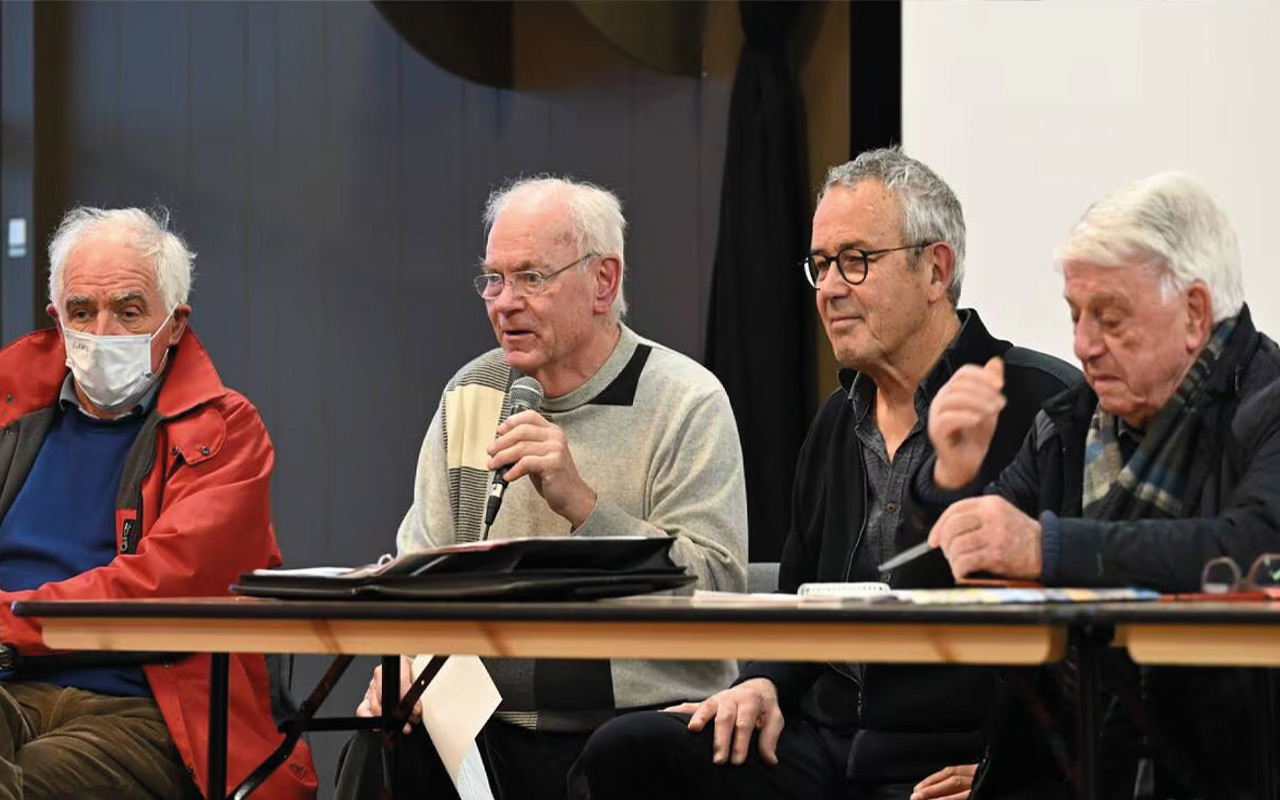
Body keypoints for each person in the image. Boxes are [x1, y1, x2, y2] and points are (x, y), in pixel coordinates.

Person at [569, 148, 1079, 800]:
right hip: (826, 741)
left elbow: (1079, 644)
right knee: (629, 751)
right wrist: (761, 682)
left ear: (935, 268)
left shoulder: (1042, 404)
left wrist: (1003, 768)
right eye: (820, 265)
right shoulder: (838, 418)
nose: (831, 288)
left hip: (951, 754)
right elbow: (800, 600)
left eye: (856, 261)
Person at [335, 176, 748, 800]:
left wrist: (585, 506)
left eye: (531, 277)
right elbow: (417, 571)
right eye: (493, 279)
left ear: (603, 282)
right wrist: (402, 661)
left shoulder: (684, 399)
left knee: (624, 758)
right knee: (379, 743)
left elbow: (716, 589)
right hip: (485, 724)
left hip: (636, 724)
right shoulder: (472, 394)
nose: (505, 302)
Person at [917, 171, 1280, 797]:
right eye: (1075, 315)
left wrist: (1049, 550)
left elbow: (1255, 550)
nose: (1082, 345)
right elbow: (960, 569)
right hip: (1067, 766)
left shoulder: (1268, 404)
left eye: (1109, 318)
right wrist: (951, 480)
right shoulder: (1069, 423)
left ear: (1194, 312)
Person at [0, 207, 317, 799]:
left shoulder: (226, 432)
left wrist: (8, 619)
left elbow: (160, 589)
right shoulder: (9, 411)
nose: (102, 333)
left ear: (174, 323)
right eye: (82, 312)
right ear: (57, 320)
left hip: (148, 710)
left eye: (127, 311)